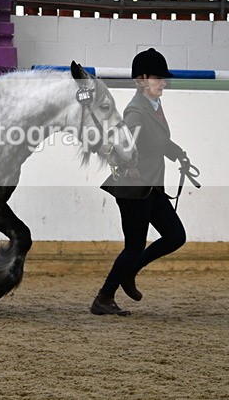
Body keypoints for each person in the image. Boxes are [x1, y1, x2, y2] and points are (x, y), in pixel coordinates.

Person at [91, 48, 188, 316]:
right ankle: (104, 297)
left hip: (151, 186)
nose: (163, 83)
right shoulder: (136, 110)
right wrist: (129, 166)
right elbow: (121, 143)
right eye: (158, 78)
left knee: (174, 236)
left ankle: (129, 272)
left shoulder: (153, 106)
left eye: (163, 78)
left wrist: (177, 153)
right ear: (141, 80)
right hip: (134, 188)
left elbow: (157, 140)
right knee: (134, 246)